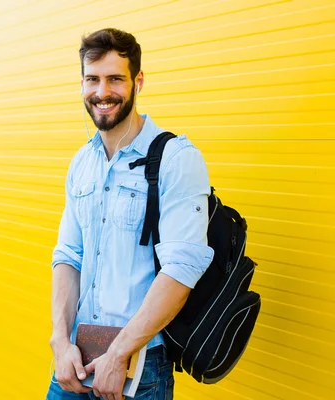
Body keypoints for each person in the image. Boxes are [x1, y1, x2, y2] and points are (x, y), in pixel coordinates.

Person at [47, 28, 214, 400]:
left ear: (138, 81)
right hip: (74, 360)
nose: (102, 92)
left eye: (115, 79)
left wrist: (119, 352)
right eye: (93, 79)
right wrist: (60, 341)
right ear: (82, 83)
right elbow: (68, 256)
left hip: (138, 367)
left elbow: (181, 269)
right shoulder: (82, 162)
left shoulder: (176, 158)